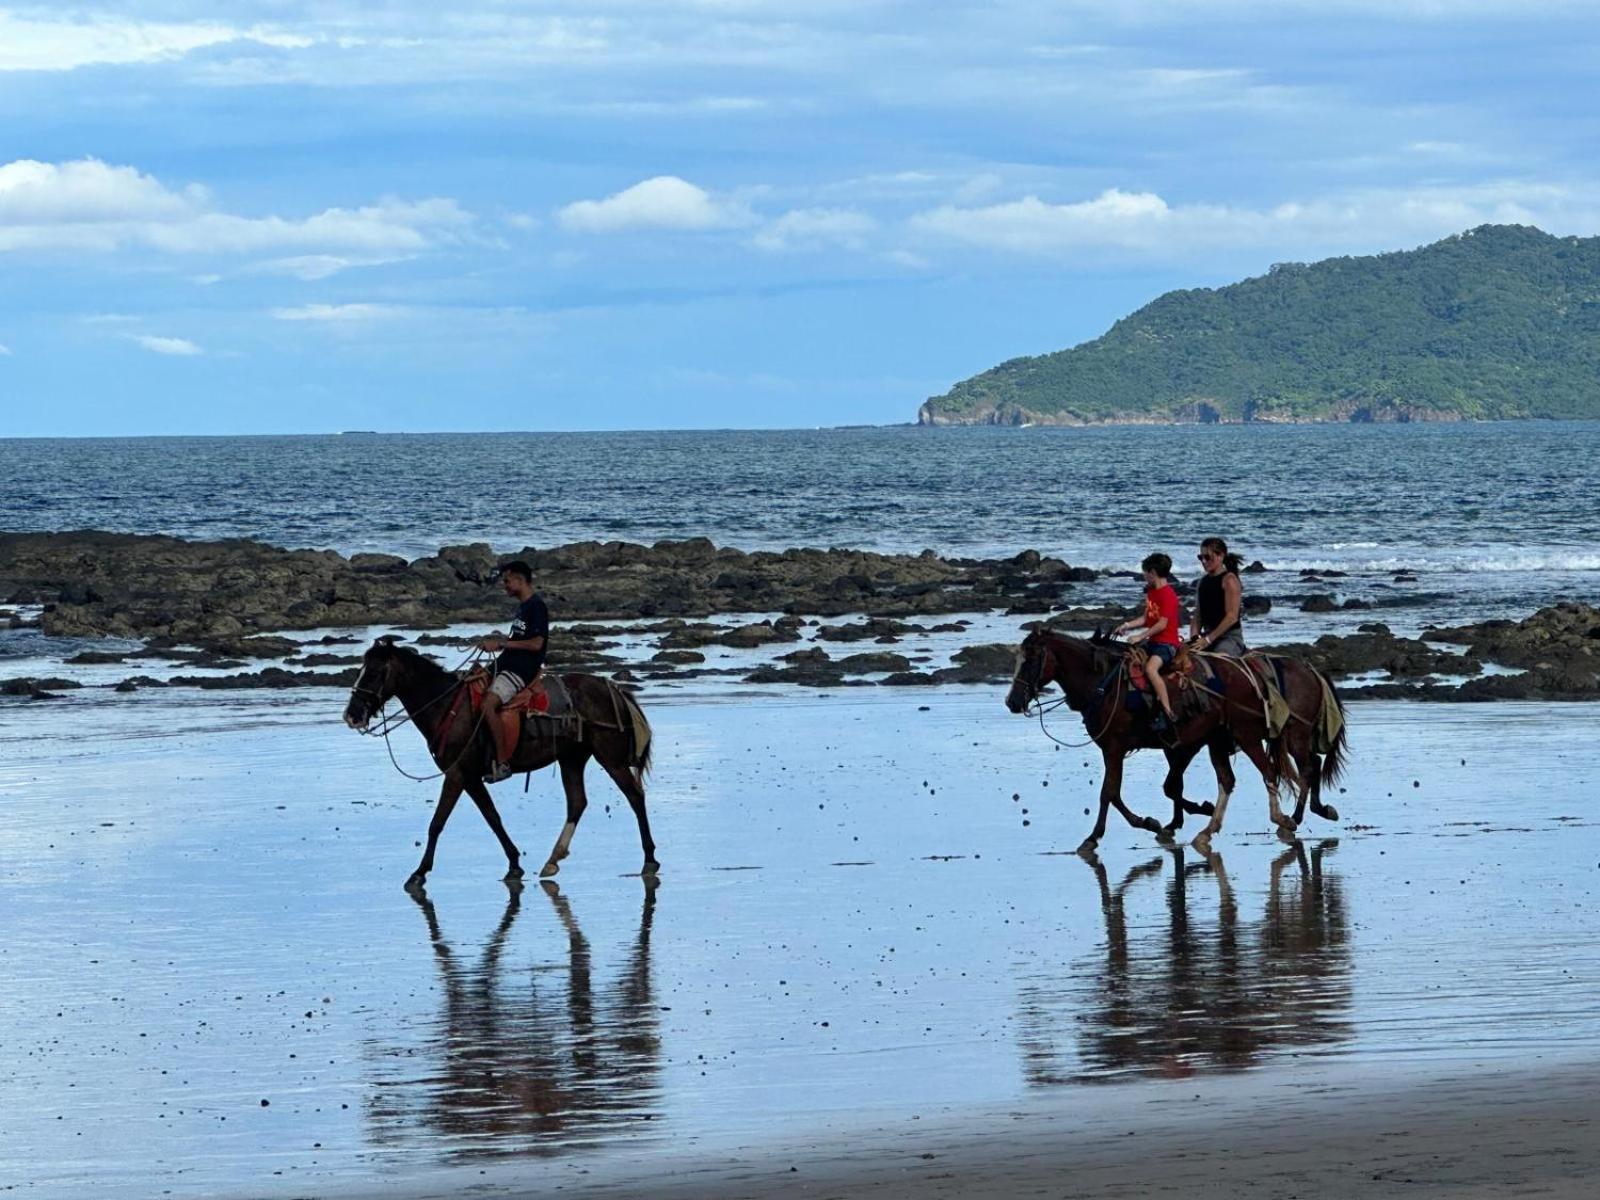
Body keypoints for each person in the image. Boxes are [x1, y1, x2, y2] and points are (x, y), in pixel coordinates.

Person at [478, 560, 550, 783]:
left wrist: (500, 644)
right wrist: (490, 667)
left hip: (522, 671)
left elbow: (537, 644)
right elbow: (515, 644)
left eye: (507, 581)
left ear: (520, 580)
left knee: (487, 705)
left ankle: (502, 763)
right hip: (509, 665)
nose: (505, 586)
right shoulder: (522, 608)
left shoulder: (536, 607)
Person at [1113, 552, 1181, 727]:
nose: (1143, 576)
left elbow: (1162, 624)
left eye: (1145, 572)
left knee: (1151, 669)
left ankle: (1167, 711)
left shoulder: (1168, 595)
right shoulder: (1152, 592)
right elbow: (1145, 619)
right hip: (1152, 642)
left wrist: (1140, 636)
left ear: (1152, 572)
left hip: (1167, 644)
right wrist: (1127, 625)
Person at [1190, 537, 1248, 657]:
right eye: (1201, 557)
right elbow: (1198, 615)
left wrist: (1208, 640)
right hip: (1208, 635)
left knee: (1219, 660)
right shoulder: (1202, 582)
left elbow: (1232, 617)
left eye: (1208, 557)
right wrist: (1194, 638)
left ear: (1221, 556)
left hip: (1229, 638)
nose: (1204, 561)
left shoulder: (1229, 580)